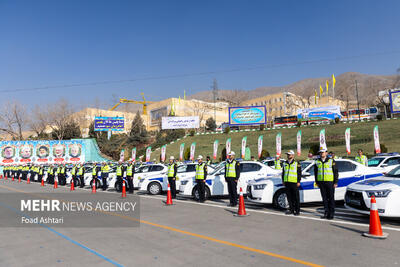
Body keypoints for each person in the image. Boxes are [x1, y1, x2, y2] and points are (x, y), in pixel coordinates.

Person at [314, 148, 339, 220]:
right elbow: (316, 173)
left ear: (326, 153)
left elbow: (335, 172)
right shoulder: (317, 161)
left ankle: (331, 214)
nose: (321, 154)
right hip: (321, 182)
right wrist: (317, 182)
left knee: (331, 198)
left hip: (330, 182)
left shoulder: (331, 161)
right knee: (324, 198)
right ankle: (326, 212)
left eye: (323, 152)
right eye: (320, 152)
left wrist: (335, 182)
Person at [282, 150, 302, 215]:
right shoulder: (285, 163)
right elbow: (283, 173)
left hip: (294, 182)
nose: (288, 156)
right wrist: (283, 180)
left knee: (296, 197)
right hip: (287, 182)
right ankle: (291, 210)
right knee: (289, 197)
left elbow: (299, 173)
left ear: (293, 155)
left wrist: (298, 181)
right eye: (287, 154)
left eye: (289, 154)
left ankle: (297, 210)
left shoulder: (296, 163)